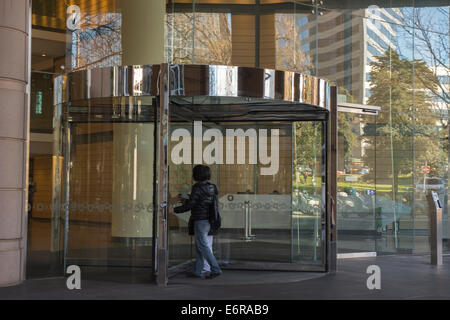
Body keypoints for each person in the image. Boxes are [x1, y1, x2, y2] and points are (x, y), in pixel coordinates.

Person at [169, 165, 222, 279]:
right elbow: (203, 200)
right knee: (200, 246)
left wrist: (174, 209)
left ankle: (215, 268)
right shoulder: (212, 186)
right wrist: (187, 197)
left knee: (203, 246)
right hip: (210, 219)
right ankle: (198, 271)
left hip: (200, 220)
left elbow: (192, 204)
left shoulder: (197, 187)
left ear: (196, 175)